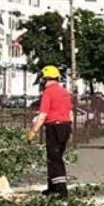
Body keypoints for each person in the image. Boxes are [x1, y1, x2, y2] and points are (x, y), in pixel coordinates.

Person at [26, 65, 72, 197]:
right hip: (65, 126)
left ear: (45, 79)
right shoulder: (64, 92)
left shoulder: (48, 92)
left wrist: (33, 132)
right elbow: (70, 113)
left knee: (54, 159)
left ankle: (61, 191)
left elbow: (43, 115)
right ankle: (51, 187)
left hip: (54, 127)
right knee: (54, 157)